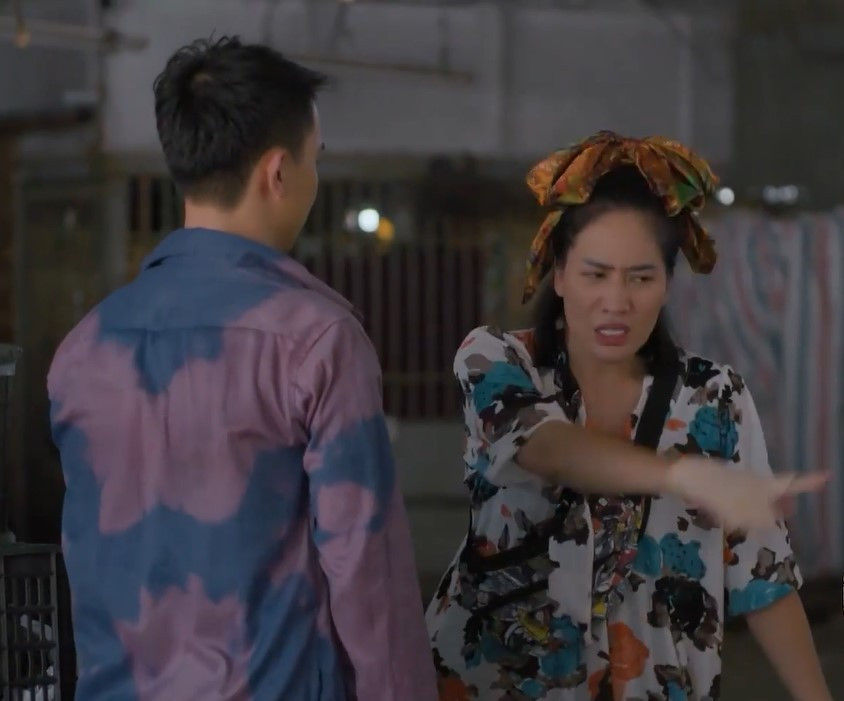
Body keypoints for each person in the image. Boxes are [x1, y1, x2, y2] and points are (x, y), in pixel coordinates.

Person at [48, 37, 437, 701]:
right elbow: (367, 574)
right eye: (315, 160)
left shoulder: (83, 348)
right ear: (278, 172)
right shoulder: (316, 340)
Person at [426, 131, 832, 701]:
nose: (616, 301)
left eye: (641, 277)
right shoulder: (497, 359)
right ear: (559, 275)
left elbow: (762, 575)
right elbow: (545, 445)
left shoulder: (714, 398)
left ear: (666, 283)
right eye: (595, 274)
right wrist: (684, 475)